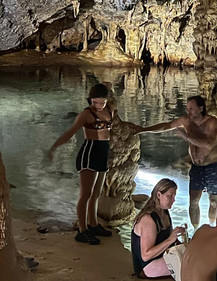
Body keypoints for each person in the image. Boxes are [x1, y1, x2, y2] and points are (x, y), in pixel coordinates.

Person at [136, 95, 217, 227]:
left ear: (201, 108)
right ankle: (195, 230)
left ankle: (212, 227)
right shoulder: (185, 121)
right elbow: (166, 126)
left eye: (192, 109)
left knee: (214, 201)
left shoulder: (211, 122)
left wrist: (186, 136)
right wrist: (143, 130)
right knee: (193, 201)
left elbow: (208, 144)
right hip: (197, 167)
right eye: (188, 109)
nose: (189, 112)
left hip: (213, 166)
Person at [48, 82, 116, 245]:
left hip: (103, 153)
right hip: (89, 154)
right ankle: (82, 230)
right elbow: (70, 132)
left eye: (102, 102)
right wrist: (54, 147)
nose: (99, 106)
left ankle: (93, 224)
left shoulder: (110, 109)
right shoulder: (86, 114)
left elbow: (108, 85)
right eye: (95, 102)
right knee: (85, 194)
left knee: (96, 193)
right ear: (89, 100)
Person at [131, 178, 186, 278]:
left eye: (174, 196)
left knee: (193, 256)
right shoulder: (148, 220)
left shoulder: (164, 212)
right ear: (159, 195)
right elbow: (145, 256)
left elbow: (167, 239)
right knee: (190, 265)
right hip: (147, 267)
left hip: (161, 257)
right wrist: (170, 240)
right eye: (170, 196)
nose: (173, 200)